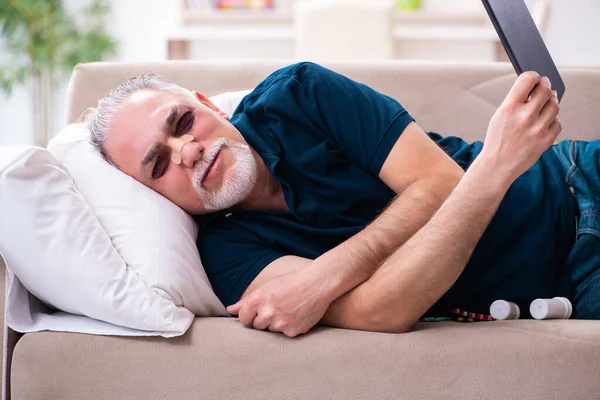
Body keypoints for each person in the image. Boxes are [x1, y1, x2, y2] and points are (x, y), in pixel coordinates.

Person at [83, 62, 599, 338]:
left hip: (574, 182)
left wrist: (325, 274)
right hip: (571, 287)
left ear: (203, 103)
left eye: (181, 122)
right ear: (152, 194)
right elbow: (382, 311)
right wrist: (487, 173)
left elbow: (441, 183)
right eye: (159, 164)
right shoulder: (225, 257)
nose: (188, 151)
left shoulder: (298, 94)